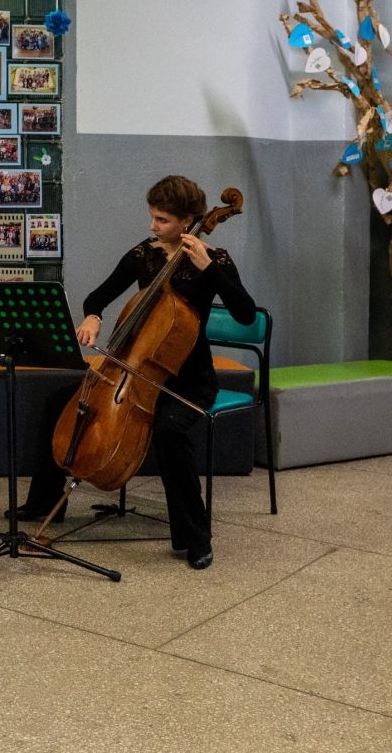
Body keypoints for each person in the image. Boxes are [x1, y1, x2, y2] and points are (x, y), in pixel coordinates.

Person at [14, 175, 256, 570]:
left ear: (188, 220)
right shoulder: (144, 254)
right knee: (59, 402)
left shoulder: (216, 261)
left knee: (170, 432)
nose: (152, 226)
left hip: (188, 381)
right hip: (133, 369)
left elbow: (245, 314)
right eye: (152, 217)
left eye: (162, 220)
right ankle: (45, 504)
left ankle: (195, 537)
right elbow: (99, 295)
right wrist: (93, 316)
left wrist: (209, 268)